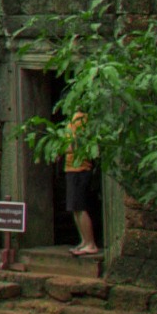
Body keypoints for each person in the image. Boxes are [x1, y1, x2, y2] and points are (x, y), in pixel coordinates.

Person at [61, 110, 102, 257]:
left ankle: (90, 243)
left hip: (80, 167)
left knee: (80, 206)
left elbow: (77, 143)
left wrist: (62, 148)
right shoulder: (73, 118)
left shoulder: (82, 118)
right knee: (74, 207)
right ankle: (84, 241)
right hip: (71, 167)